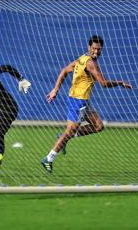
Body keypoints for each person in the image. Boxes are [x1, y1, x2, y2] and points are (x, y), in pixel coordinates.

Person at [41, 35, 132, 173]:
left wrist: (56, 89)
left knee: (98, 126)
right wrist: (120, 83)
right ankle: (49, 158)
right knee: (70, 131)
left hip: (83, 101)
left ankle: (64, 138)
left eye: (99, 49)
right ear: (89, 47)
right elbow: (103, 84)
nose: (96, 52)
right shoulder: (90, 63)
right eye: (94, 49)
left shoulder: (82, 58)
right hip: (78, 102)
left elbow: (64, 70)